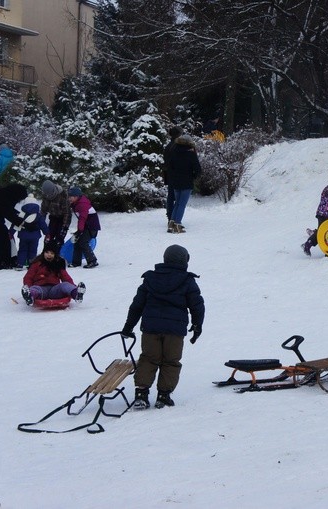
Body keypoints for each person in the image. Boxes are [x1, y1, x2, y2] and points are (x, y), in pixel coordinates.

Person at [122, 244, 205, 410]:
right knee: (171, 361)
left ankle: (142, 393)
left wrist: (128, 327)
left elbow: (137, 305)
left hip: (151, 328)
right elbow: (197, 305)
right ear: (185, 260)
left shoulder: (151, 278)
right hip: (175, 331)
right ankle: (164, 396)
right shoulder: (187, 280)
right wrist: (197, 326)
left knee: (148, 358)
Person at [20, 241, 85, 305]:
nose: (49, 255)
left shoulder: (58, 264)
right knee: (35, 289)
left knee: (64, 285)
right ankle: (30, 296)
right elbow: (28, 277)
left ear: (55, 255)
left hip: (54, 290)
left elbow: (66, 278)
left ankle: (76, 294)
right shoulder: (37, 264)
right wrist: (28, 287)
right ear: (43, 253)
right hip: (41, 289)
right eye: (47, 252)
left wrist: (72, 286)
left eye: (52, 253)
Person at [302, 166, 328, 256]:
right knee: (327, 231)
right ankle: (326, 251)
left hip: (321, 213)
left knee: (322, 231)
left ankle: (308, 244)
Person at [167, 134, 202, 234]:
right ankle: (178, 225)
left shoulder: (173, 153)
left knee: (177, 202)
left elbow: (170, 167)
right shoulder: (191, 155)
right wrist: (193, 177)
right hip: (187, 182)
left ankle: (171, 223)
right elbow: (198, 169)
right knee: (182, 204)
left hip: (175, 182)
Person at [10, 195, 49, 270]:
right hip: (35, 237)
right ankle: (32, 264)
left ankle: (20, 264)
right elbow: (43, 225)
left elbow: (15, 224)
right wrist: (47, 233)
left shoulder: (21, 214)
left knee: (22, 250)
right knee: (33, 251)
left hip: (23, 236)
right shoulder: (38, 216)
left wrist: (11, 233)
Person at [67, 186, 101, 268]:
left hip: (91, 226)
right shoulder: (76, 203)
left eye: (71, 197)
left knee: (83, 242)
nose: (70, 199)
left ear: (76, 197)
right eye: (69, 197)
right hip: (86, 225)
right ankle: (76, 262)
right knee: (77, 242)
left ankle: (92, 261)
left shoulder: (82, 204)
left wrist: (79, 230)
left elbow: (82, 218)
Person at [163, 126, 183, 232]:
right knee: (175, 196)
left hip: (168, 173)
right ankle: (172, 217)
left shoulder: (168, 146)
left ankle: (170, 216)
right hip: (174, 174)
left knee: (171, 196)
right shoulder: (176, 146)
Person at [40, 180, 72, 245]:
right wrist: (41, 222)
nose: (48, 196)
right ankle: (45, 253)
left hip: (62, 218)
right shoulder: (45, 196)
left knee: (59, 238)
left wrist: (65, 226)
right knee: (48, 237)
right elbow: (43, 210)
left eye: (49, 194)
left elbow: (67, 213)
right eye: (46, 194)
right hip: (53, 217)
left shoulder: (63, 195)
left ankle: (57, 253)